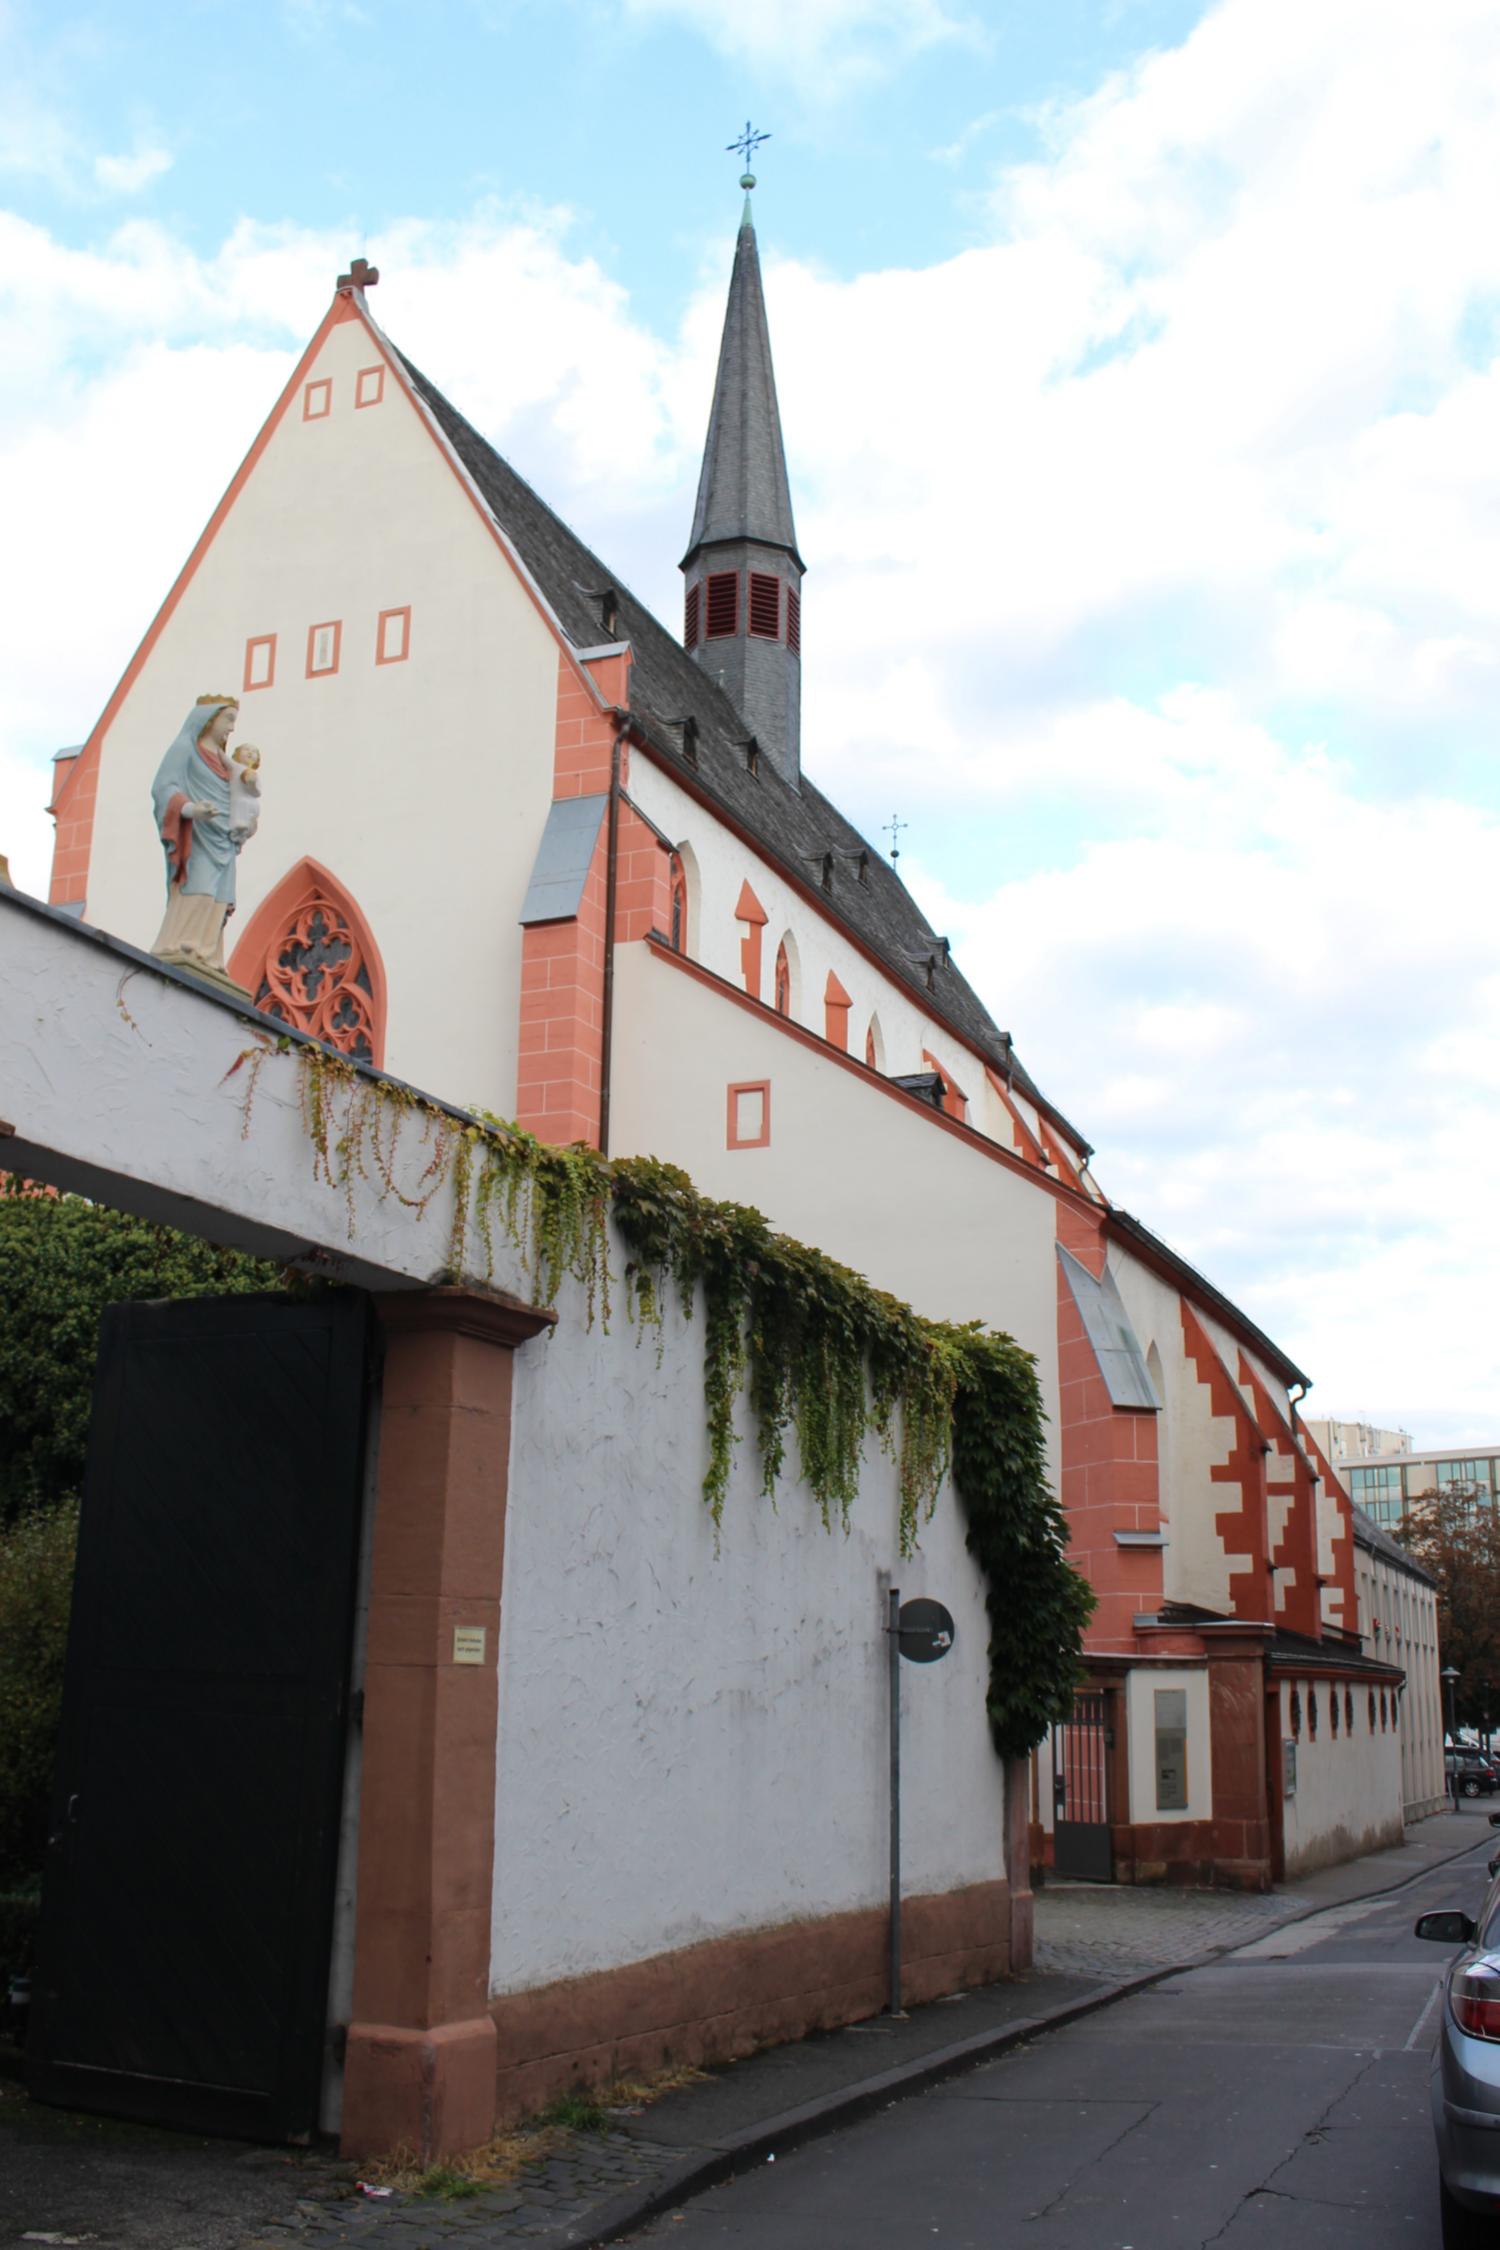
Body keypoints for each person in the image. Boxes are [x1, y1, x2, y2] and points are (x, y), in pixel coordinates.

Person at [149, 694, 257, 976]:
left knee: (220, 898)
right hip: (199, 835)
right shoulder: (187, 748)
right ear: (209, 719)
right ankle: (181, 945)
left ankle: (208, 954)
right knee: (199, 887)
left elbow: (241, 794)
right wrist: (191, 809)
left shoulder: (225, 761)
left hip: (224, 838)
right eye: (228, 719)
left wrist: (247, 821)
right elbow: (164, 787)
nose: (232, 728)